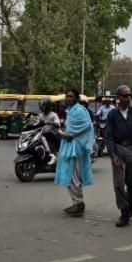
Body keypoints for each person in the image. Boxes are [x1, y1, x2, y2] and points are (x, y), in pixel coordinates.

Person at [105, 85, 132, 227]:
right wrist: (112, 154)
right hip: (118, 149)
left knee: (131, 182)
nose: (127, 98)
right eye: (124, 95)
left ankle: (130, 201)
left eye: (129, 95)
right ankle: (124, 212)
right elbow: (108, 136)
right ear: (118, 98)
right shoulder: (112, 115)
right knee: (118, 183)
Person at [54, 88, 94, 217]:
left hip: (76, 149)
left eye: (71, 96)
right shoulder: (70, 111)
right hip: (69, 147)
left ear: (76, 98)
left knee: (74, 177)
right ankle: (77, 202)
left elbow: (87, 125)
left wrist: (66, 134)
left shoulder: (80, 110)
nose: (68, 98)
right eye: (67, 96)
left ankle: (79, 204)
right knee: (69, 176)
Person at [39, 98, 61, 165]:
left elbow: (58, 124)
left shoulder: (53, 115)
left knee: (42, 137)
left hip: (52, 134)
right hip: (42, 132)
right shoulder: (41, 115)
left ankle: (50, 154)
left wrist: (50, 122)